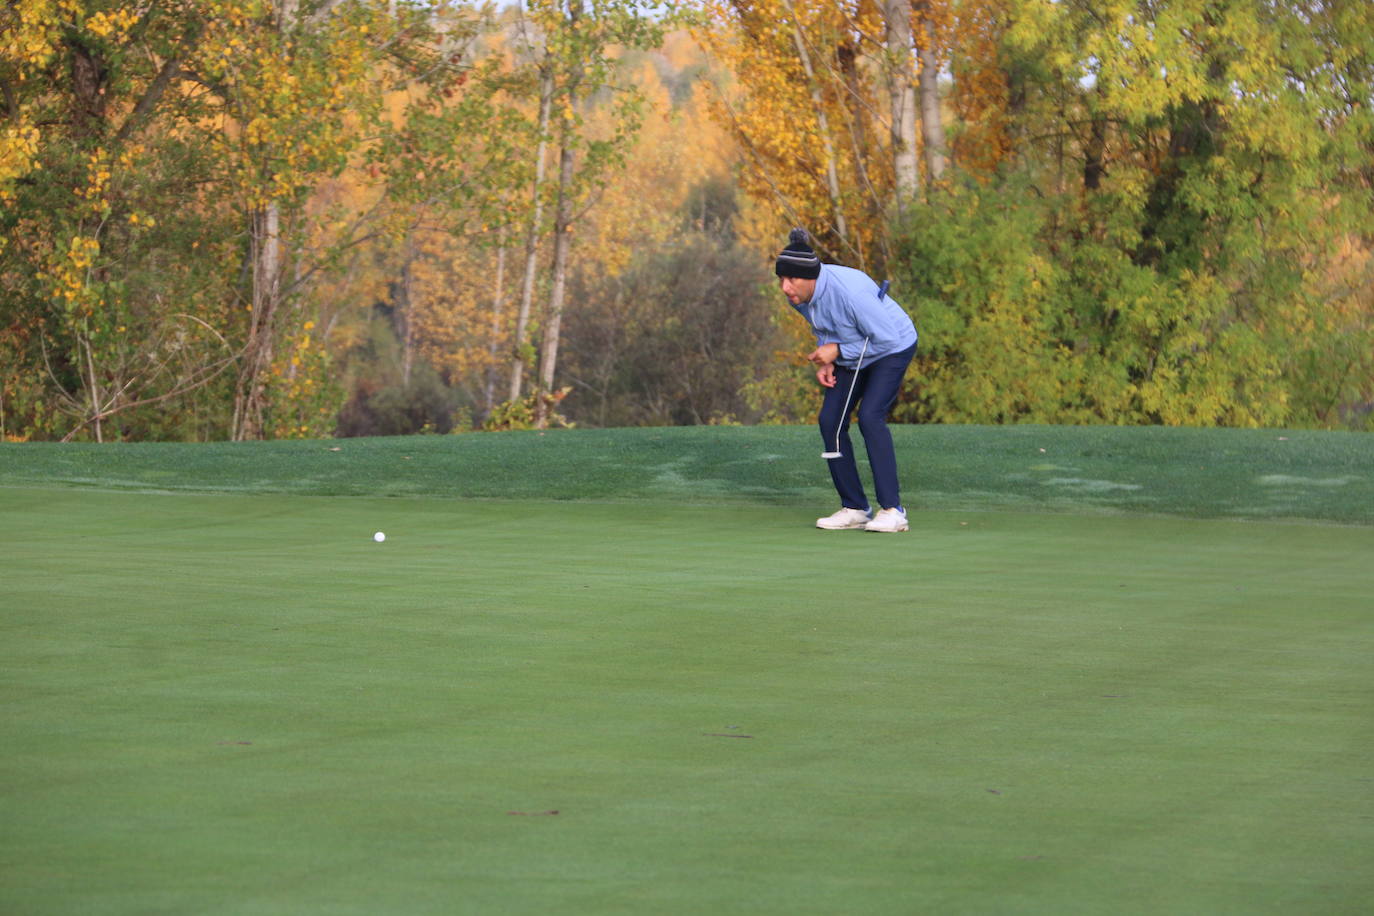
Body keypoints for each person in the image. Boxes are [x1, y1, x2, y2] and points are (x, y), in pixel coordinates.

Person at [775, 227, 918, 533]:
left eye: (792, 280)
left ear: (810, 276)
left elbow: (886, 338)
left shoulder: (851, 293)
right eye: (781, 280)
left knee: (870, 416)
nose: (785, 287)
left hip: (892, 347)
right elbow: (823, 324)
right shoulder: (798, 296)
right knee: (830, 421)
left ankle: (894, 510)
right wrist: (831, 359)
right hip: (855, 350)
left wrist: (837, 350)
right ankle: (855, 507)